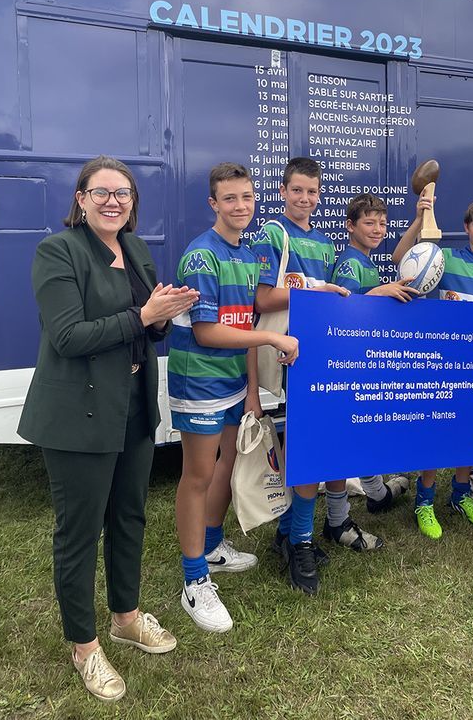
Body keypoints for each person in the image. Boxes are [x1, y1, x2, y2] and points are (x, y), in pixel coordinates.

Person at [17, 155, 199, 703]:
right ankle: (85, 646)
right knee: (79, 533)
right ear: (81, 199)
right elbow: (68, 336)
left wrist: (162, 315)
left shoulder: (136, 248)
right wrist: (144, 316)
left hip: (133, 408)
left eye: (123, 193)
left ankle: (126, 617)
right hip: (79, 414)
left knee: (129, 516)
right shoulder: (59, 252)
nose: (113, 202)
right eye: (101, 192)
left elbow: (146, 327)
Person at [169, 163, 298, 632]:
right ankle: (194, 581)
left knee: (226, 463)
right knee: (198, 475)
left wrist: (251, 392)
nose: (240, 206)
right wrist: (272, 339)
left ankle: (211, 547)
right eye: (229, 198)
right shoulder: (202, 256)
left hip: (232, 383)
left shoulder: (246, 254)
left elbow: (243, 324)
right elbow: (207, 332)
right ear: (213, 204)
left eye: (246, 197)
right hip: (200, 381)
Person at [251, 157, 379, 595]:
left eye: (312, 191)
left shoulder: (325, 244)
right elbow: (262, 299)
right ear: (283, 191)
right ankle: (300, 541)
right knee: (312, 446)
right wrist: (315, 288)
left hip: (318, 355)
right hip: (287, 355)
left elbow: (326, 309)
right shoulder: (273, 233)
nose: (305, 198)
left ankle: (289, 533)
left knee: (316, 445)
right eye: (297, 190)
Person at [393, 197, 473, 540]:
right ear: (466, 227)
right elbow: (400, 259)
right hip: (443, 361)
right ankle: (424, 500)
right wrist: (419, 218)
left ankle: (461, 495)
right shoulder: (444, 258)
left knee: (469, 429)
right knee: (436, 431)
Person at [330, 192, 416, 517]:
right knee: (353, 430)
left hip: (364, 359)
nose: (378, 229)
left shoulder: (366, 261)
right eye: (369, 223)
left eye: (382, 223)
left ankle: (378, 492)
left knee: (364, 427)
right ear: (350, 226)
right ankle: (351, 508)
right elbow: (343, 310)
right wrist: (381, 292)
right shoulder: (350, 263)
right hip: (350, 362)